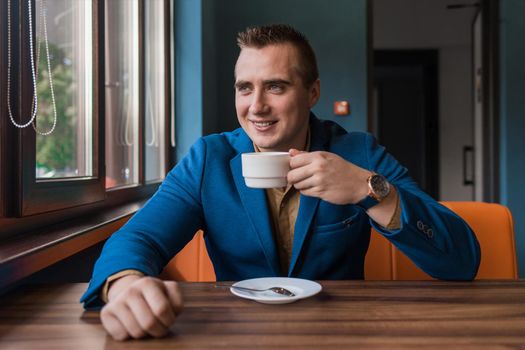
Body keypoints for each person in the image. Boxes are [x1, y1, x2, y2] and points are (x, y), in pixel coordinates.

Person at [81, 24, 480, 341]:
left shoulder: (358, 154)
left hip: (342, 337)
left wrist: (369, 188)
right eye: (245, 88)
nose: (256, 106)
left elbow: (461, 261)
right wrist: (126, 285)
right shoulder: (209, 159)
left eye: (275, 86)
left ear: (312, 93)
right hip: (236, 336)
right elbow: (140, 238)